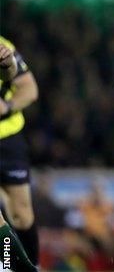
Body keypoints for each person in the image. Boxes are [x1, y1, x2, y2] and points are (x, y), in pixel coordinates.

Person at [0, 38, 39, 272]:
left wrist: (6, 106)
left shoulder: (3, 45)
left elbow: (29, 88)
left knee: (21, 215)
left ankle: (33, 265)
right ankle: (10, 268)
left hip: (7, 139)